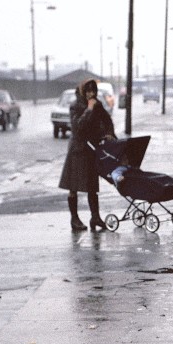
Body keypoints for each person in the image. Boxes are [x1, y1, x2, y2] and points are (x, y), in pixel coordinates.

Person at [58, 78, 116, 232]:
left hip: (92, 149)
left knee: (92, 185)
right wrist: (88, 110)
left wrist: (109, 134)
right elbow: (77, 128)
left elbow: (107, 121)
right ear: (83, 91)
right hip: (78, 149)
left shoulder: (97, 104)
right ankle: (74, 219)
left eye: (93, 91)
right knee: (73, 185)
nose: (91, 94)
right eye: (88, 91)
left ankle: (95, 217)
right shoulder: (76, 106)